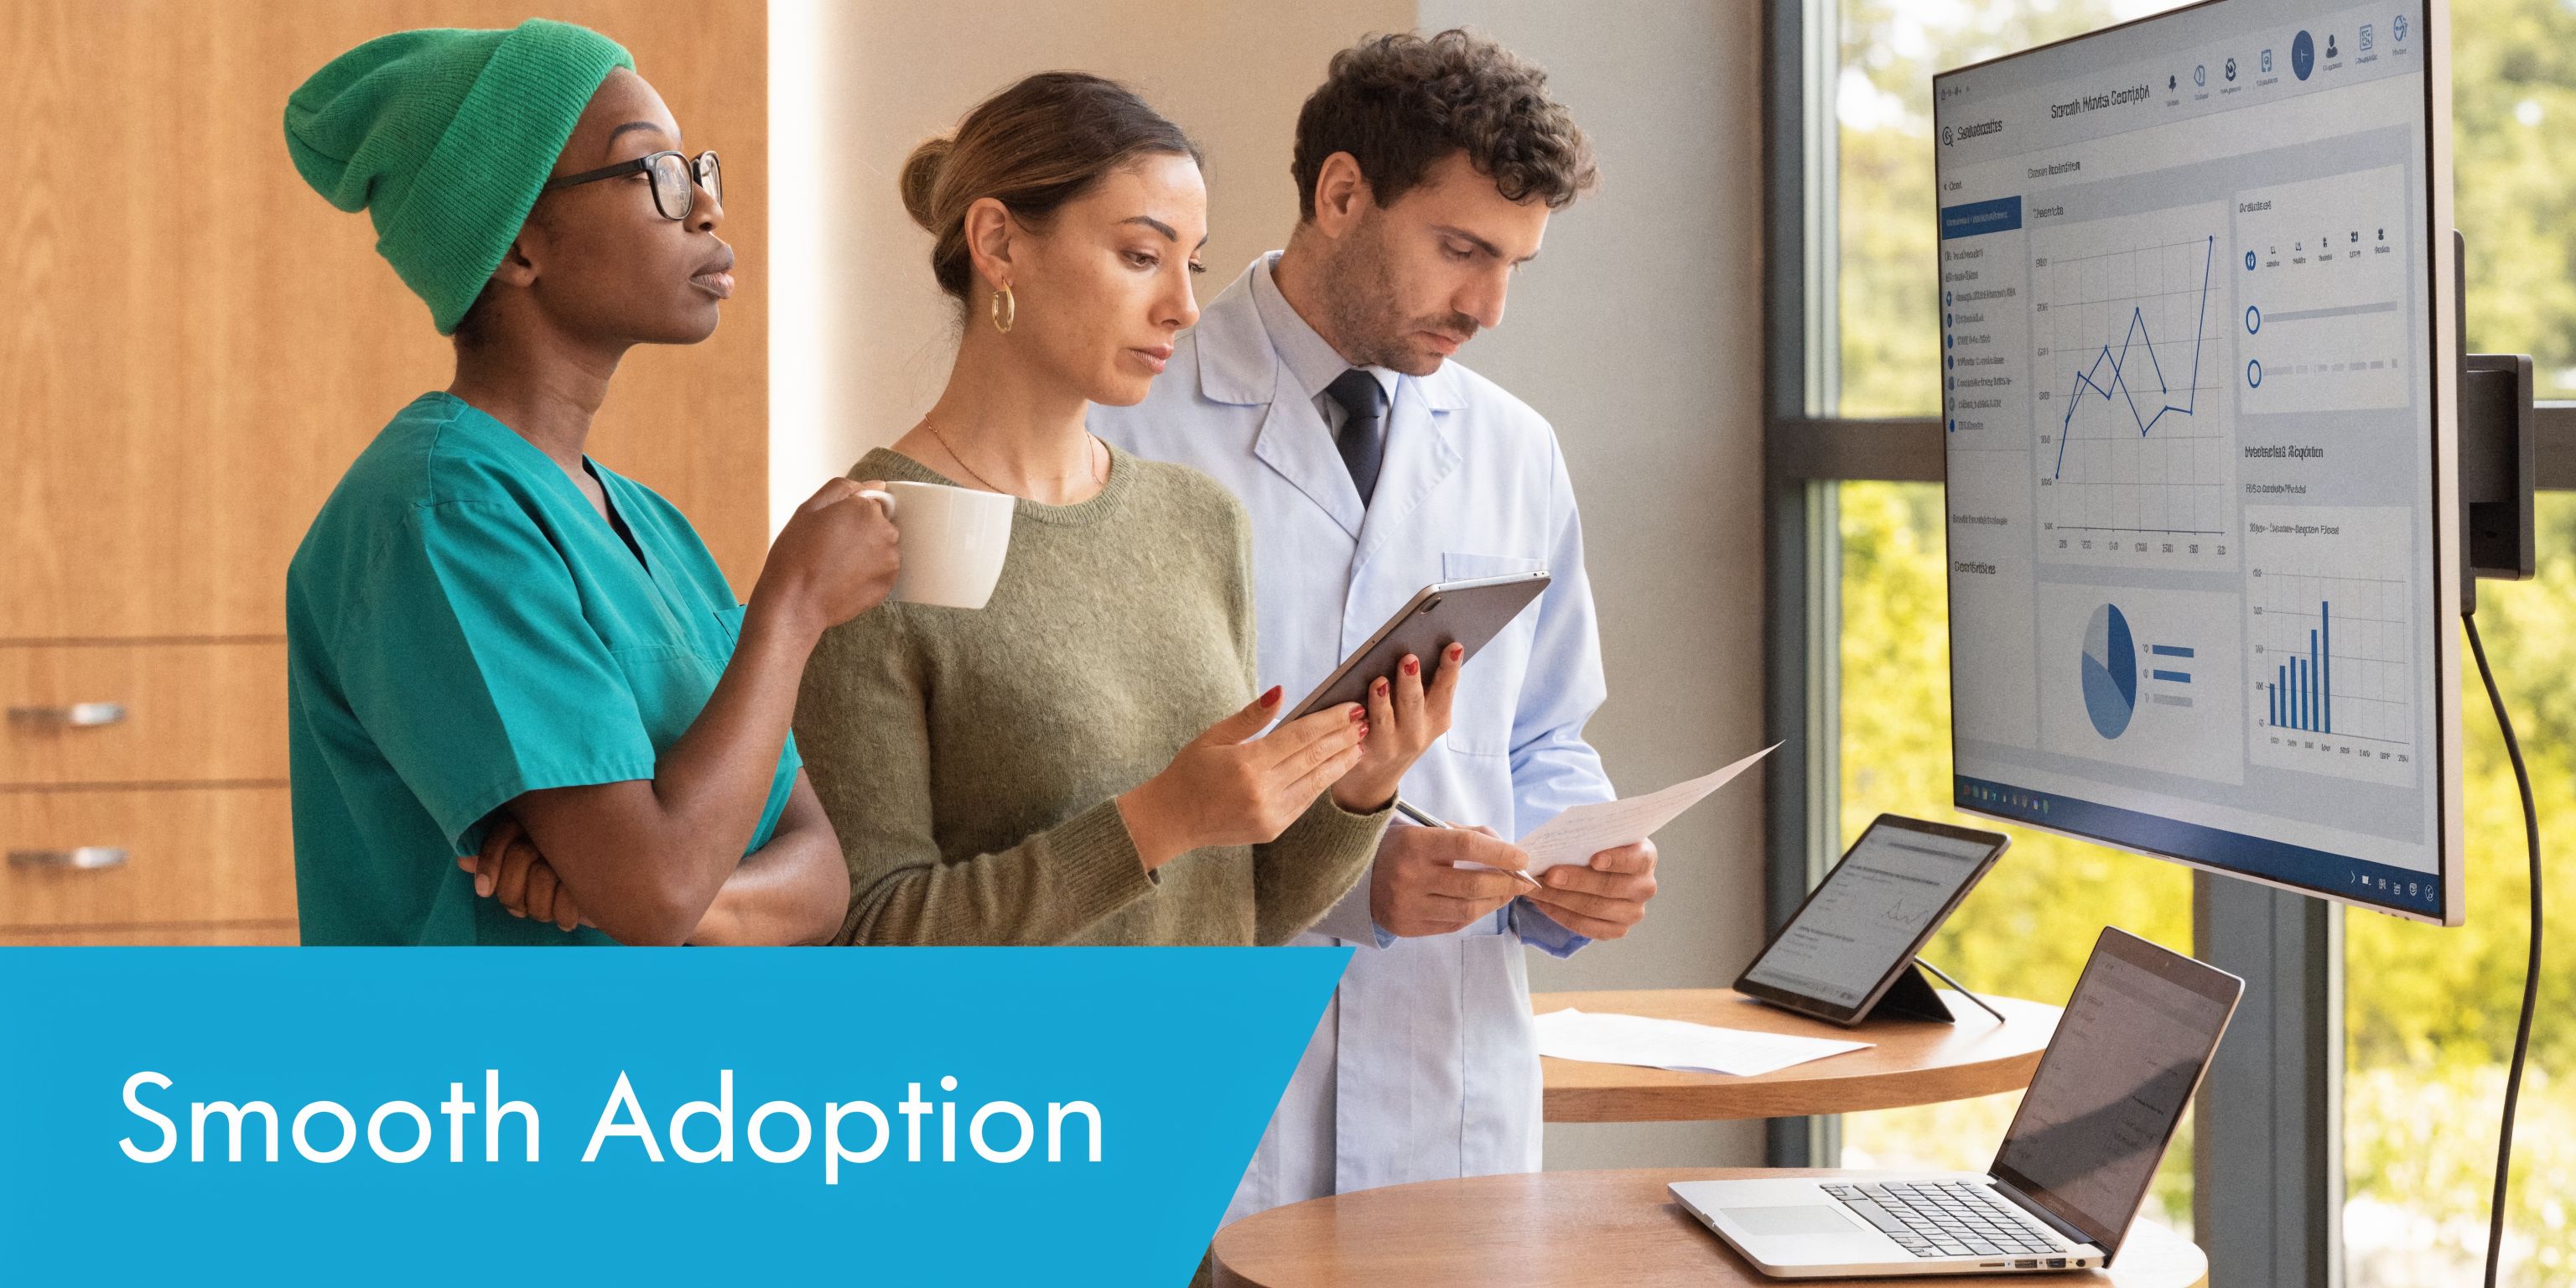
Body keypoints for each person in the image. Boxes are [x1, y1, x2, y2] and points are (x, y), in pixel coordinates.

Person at [1091, 29, 1662, 1222]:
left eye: (1515, 264)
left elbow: (1543, 732)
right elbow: (1082, 791)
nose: (1490, 306)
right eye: (1461, 250)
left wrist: (1576, 859)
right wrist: (1353, 877)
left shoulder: (1515, 448)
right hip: (1213, 1090)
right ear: (1341, 194)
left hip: (1449, 1103)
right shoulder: (1129, 425)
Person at [791, 73, 1454, 945]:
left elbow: (1233, 913)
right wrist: (1153, 823)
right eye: (1142, 257)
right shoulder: (870, 540)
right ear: (998, 243)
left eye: (1193, 265)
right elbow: (866, 939)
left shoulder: (1199, 521)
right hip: (1006, 1085)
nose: (1182, 307)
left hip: (1195, 1075)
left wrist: (1361, 786)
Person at [283, 20, 895, 946]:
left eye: (698, 171)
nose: (705, 209)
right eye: (654, 172)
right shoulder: (441, 515)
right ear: (518, 244)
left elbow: (821, 881)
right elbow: (654, 891)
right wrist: (795, 604)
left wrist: (672, 896)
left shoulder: (657, 529)